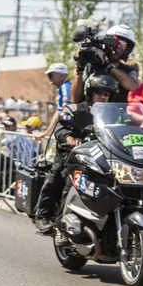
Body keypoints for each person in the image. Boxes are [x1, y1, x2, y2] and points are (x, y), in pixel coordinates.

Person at [34, 74, 119, 234]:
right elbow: (61, 127)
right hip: (71, 155)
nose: (102, 97)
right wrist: (69, 137)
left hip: (101, 158)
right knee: (59, 178)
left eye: (106, 94)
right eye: (99, 92)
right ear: (90, 93)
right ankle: (46, 217)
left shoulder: (113, 115)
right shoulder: (74, 109)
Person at [71, 24, 139, 104]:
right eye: (114, 42)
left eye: (123, 45)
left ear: (128, 49)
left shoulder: (128, 70)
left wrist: (108, 65)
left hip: (116, 115)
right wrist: (79, 69)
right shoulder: (91, 66)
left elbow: (133, 86)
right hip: (89, 114)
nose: (117, 47)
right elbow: (74, 100)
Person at [40, 63, 71, 138]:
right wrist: (48, 132)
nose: (49, 78)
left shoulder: (66, 87)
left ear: (61, 75)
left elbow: (65, 110)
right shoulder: (60, 89)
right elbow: (59, 111)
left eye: (51, 75)